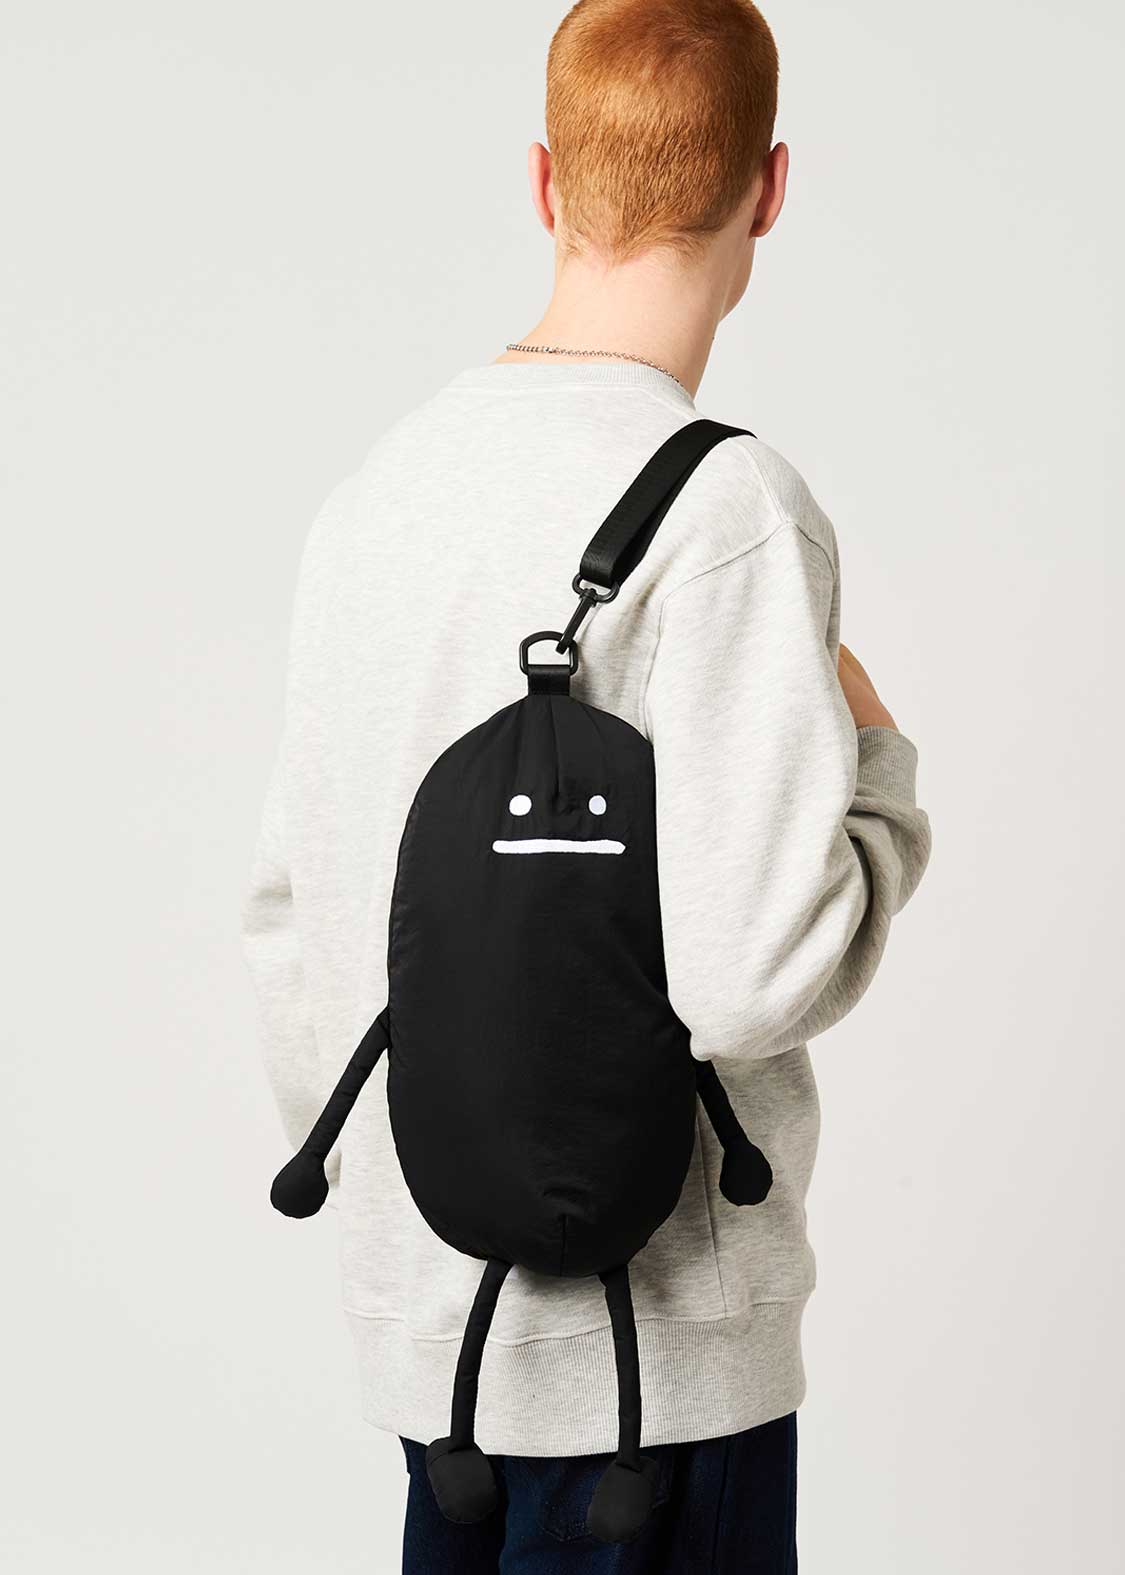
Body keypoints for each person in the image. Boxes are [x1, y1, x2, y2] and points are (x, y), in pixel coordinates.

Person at [243, 1, 931, 1568]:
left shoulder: (378, 496)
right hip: (653, 1375)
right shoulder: (729, 507)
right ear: (769, 187)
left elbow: (297, 913)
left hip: (437, 1348)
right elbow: (750, 980)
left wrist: (416, 1218)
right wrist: (882, 788)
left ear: (546, 181)